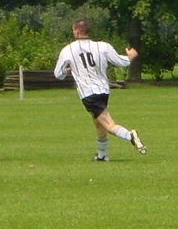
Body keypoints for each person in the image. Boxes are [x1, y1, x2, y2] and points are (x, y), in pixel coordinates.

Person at [54, 19, 146, 161]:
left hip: (88, 94)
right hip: (104, 91)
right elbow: (121, 62)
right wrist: (130, 57)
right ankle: (102, 155)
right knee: (98, 122)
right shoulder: (103, 46)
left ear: (77, 31)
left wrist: (69, 71)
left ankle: (130, 135)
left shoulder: (68, 50)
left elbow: (58, 74)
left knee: (109, 124)